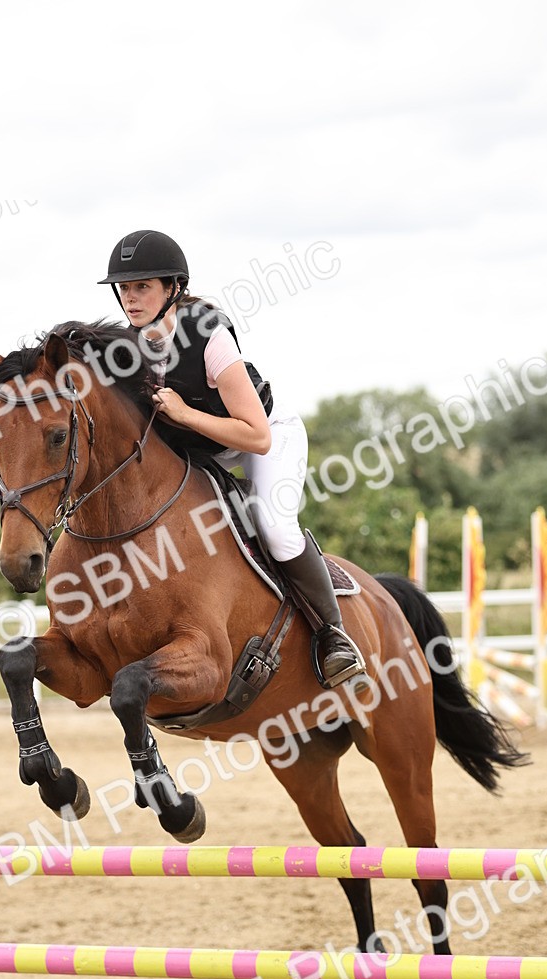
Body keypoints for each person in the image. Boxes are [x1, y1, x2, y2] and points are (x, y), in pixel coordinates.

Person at [98, 229, 365, 690]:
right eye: (124, 288)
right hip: (204, 450)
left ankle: (332, 634)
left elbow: (256, 436)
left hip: (266, 436)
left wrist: (185, 413)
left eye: (142, 286)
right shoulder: (129, 348)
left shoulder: (209, 336)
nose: (130, 298)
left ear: (173, 288)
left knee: (275, 529)